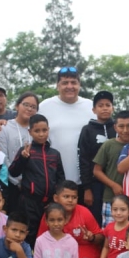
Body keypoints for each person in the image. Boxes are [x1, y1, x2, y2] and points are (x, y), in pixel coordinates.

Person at [38, 66, 94, 202]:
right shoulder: (45, 107)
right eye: (65, 83)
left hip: (86, 184)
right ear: (57, 86)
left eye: (74, 82)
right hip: (54, 181)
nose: (70, 86)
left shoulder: (91, 106)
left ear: (79, 85)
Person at [8, 114, 65, 248]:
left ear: (48, 130)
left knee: (47, 233)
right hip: (29, 202)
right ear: (30, 132)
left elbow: (61, 178)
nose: (41, 134)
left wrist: (56, 199)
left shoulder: (55, 154)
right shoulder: (26, 151)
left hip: (49, 203)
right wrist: (23, 158)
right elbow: (13, 172)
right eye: (37, 131)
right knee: (29, 233)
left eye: (44, 130)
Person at [36, 180, 104, 258]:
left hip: (83, 246)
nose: (70, 200)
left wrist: (92, 237)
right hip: (58, 248)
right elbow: (41, 240)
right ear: (56, 198)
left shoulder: (84, 212)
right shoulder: (50, 214)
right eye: (66, 197)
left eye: (74, 197)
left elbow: (101, 238)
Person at [0, 92, 39, 214]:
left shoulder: (38, 131)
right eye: (26, 105)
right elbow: (2, 158)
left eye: (33, 107)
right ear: (17, 106)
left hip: (33, 186)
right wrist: (17, 181)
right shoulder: (4, 129)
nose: (29, 109)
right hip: (11, 185)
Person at [78, 90, 116, 227]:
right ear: (94, 110)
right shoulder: (87, 130)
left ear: (113, 108)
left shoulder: (118, 128)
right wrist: (86, 188)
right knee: (95, 219)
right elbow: (83, 160)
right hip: (95, 184)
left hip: (116, 182)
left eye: (108, 104)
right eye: (100, 105)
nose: (105, 108)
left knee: (115, 218)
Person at [80, 194, 129, 258]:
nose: (118, 213)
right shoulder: (109, 227)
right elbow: (106, 247)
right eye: (115, 209)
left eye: (123, 210)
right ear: (111, 210)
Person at [93, 110, 129, 227]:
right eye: (121, 126)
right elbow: (97, 171)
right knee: (111, 233)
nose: (125, 130)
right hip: (111, 198)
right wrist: (113, 185)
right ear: (115, 127)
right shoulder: (109, 145)